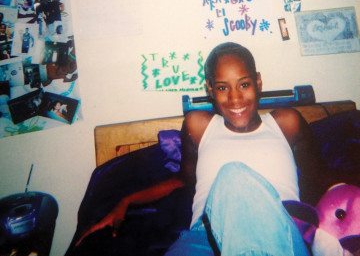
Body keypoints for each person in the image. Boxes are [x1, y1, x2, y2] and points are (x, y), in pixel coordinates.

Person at [76, 42, 331, 255]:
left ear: (258, 82)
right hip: (204, 238)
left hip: (276, 230)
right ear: (210, 89)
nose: (235, 98)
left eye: (244, 84)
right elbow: (183, 181)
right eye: (222, 88)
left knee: (233, 177)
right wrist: (126, 201)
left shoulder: (286, 123)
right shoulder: (199, 126)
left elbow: (319, 185)